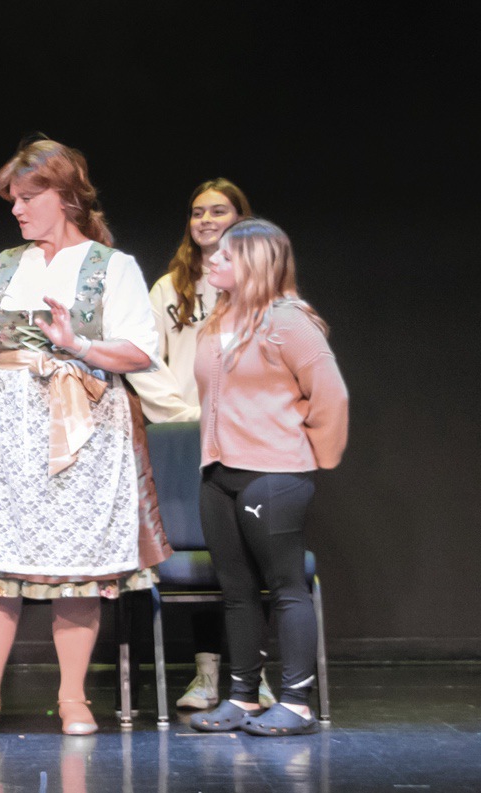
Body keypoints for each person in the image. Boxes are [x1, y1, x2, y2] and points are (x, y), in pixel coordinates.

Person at [0, 138, 171, 735]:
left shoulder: (112, 267)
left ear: (65, 196)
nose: (16, 210)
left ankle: (72, 697)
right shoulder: (1, 266)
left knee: (78, 564)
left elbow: (143, 351)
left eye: (27, 197)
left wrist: (79, 346)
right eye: (13, 200)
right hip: (8, 427)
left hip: (85, 426)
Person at [190, 218, 347, 736]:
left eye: (225, 255)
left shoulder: (288, 321)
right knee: (236, 590)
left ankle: (297, 704)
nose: (212, 260)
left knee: (285, 587)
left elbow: (331, 394)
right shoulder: (218, 320)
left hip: (274, 473)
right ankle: (243, 698)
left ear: (255, 264)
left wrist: (312, 457)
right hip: (219, 472)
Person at [126, 179, 276, 710]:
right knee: (204, 551)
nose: (206, 220)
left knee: (248, 557)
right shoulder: (170, 288)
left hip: (251, 437)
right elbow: (145, 360)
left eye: (218, 210)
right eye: (197, 212)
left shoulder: (263, 287)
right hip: (187, 438)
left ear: (241, 218)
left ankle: (251, 676)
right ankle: (207, 674)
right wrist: (185, 418)